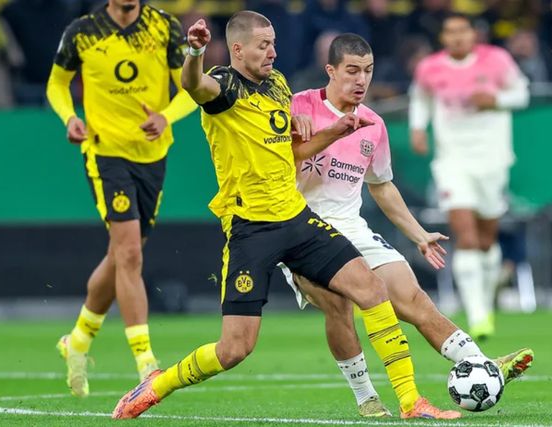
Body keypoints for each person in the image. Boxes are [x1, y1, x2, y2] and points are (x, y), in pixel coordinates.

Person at [112, 11, 460, 420]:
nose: (273, 52)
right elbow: (193, 84)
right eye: (263, 45)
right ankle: (158, 385)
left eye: (274, 43)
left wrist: (331, 133)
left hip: (297, 218)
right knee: (235, 348)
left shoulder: (278, 84)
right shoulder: (224, 85)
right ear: (238, 48)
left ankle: (409, 400)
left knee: (371, 289)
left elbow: (290, 151)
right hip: (251, 228)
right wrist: (195, 52)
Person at [281, 32, 534, 417]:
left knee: (414, 299)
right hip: (301, 229)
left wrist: (419, 235)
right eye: (352, 71)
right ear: (330, 70)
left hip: (352, 228)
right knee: (339, 305)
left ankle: (482, 364)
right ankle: (366, 397)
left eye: (368, 71)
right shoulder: (298, 105)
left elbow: (381, 186)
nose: (361, 80)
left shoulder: (373, 124)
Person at [46, 0, 197, 397]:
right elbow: (57, 84)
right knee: (129, 253)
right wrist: (69, 117)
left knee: (121, 255)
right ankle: (146, 364)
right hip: (105, 153)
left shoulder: (164, 28)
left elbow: (190, 88)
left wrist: (166, 116)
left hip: (153, 154)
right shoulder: (82, 32)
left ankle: (77, 341)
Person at [409, 13, 530, 340]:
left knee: (487, 240)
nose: (457, 37)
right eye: (450, 31)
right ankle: (477, 316)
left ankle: (486, 302)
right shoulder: (430, 68)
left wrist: (496, 99)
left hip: (492, 159)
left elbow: (522, 94)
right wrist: (418, 128)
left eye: (463, 30)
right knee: (467, 237)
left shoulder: (497, 59)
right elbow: (420, 98)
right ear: (443, 38)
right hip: (452, 160)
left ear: (473, 34)